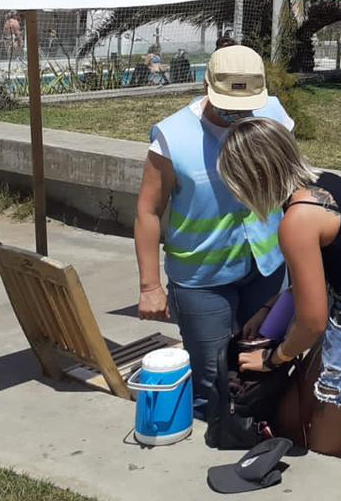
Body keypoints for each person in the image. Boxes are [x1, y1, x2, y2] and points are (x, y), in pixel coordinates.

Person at [217, 118, 341, 458]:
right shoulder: (323, 185)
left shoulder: (298, 219)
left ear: (255, 177)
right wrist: (269, 310)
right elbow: (320, 277)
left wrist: (272, 359)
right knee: (291, 422)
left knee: (322, 455)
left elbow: (311, 322)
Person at [135, 45, 294, 419]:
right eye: (228, 105)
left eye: (246, 106)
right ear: (205, 85)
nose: (238, 115)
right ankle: (207, 445)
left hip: (265, 268)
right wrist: (150, 286)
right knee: (211, 377)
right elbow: (147, 210)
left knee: (261, 362)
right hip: (201, 277)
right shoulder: (173, 137)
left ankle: (253, 433)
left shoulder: (272, 116)